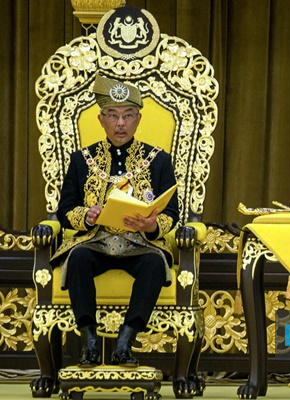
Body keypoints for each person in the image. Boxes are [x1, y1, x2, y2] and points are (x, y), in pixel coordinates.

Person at [50, 74, 179, 368]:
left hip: (140, 244)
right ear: (101, 119)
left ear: (138, 119)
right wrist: (86, 216)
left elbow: (172, 213)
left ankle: (125, 342)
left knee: (154, 263)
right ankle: (89, 343)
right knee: (78, 258)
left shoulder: (159, 160)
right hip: (95, 241)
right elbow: (65, 209)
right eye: (112, 115)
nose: (120, 123)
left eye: (128, 115)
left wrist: (152, 226)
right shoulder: (81, 160)